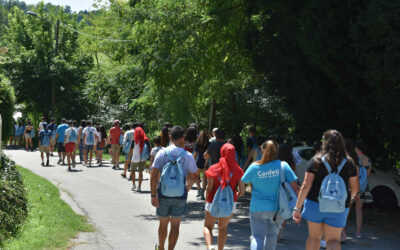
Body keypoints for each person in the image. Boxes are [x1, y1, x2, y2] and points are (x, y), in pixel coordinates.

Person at [293, 130, 359, 250]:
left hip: (314, 204)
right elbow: (355, 190)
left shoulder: (316, 161)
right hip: (339, 207)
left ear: (324, 142)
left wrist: (298, 208)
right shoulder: (349, 163)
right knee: (333, 240)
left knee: (314, 238)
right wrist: (348, 204)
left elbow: (306, 186)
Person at [241, 141, 299, 250]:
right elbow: (296, 188)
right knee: (271, 236)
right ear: (276, 151)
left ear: (261, 150)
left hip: (257, 207)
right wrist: (299, 208)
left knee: (257, 237)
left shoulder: (254, 167)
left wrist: (242, 191)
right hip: (276, 209)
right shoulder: (283, 166)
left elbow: (243, 180)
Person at [150, 126, 197, 250]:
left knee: (163, 223)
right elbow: (194, 175)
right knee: (175, 225)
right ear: (183, 138)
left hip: (163, 193)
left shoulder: (161, 153)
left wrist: (153, 195)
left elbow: (153, 175)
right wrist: (188, 185)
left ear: (170, 137)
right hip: (180, 194)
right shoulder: (188, 155)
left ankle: (161, 248)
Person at [204, 143, 245, 250]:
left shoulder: (214, 168)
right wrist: (235, 195)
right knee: (223, 228)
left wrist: (206, 196)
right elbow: (242, 191)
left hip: (213, 200)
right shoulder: (238, 170)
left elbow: (209, 188)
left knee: (208, 226)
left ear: (222, 153)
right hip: (230, 202)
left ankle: (209, 246)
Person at [276, 142, 298, 242]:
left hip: (278, 187)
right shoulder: (292, 163)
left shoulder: (275, 162)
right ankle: (280, 233)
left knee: (277, 208)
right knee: (286, 208)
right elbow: (295, 176)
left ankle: (275, 231)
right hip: (288, 189)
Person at [354, 141, 372, 239]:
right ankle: (358, 233)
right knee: (359, 210)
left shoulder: (354, 159)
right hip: (363, 187)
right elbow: (368, 175)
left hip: (352, 187)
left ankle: (342, 231)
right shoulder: (368, 160)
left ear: (358, 148)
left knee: (347, 209)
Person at [129, 126, 151, 192]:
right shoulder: (145, 140)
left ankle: (133, 184)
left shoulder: (134, 140)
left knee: (132, 171)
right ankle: (139, 187)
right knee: (140, 172)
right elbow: (150, 148)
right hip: (142, 159)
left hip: (134, 158)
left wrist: (129, 157)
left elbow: (131, 150)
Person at [193, 129, 210, 199]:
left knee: (195, 176)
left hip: (199, 161)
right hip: (206, 162)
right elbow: (209, 154)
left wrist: (192, 161)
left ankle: (199, 188)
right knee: (204, 178)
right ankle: (202, 192)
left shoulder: (198, 143)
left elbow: (196, 154)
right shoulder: (210, 143)